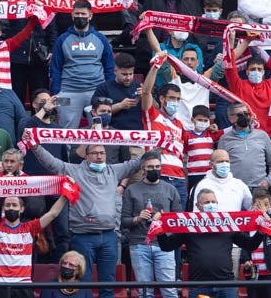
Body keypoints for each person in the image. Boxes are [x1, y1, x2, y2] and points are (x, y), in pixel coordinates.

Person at [30, 142, 142, 298]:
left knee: (108, 283)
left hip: (109, 235)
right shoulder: (75, 170)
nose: (99, 156)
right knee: (83, 283)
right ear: (86, 156)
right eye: (95, 153)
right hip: (83, 236)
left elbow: (137, 163)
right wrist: (35, 147)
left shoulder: (113, 170)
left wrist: (160, 146)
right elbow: (51, 163)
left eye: (102, 153)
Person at [0, 193, 66, 298]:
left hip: (23, 285)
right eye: (7, 205)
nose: (11, 208)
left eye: (14, 205)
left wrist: (65, 194)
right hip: (0, 285)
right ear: (3, 208)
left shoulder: (30, 228)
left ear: (22, 209)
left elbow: (53, 213)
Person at [158, 189, 254, 298]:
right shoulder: (189, 225)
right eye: (207, 202)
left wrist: (261, 232)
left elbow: (250, 245)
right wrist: (160, 233)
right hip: (199, 286)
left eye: (213, 202)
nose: (211, 205)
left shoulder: (227, 224)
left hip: (226, 285)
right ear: (198, 205)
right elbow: (166, 246)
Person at [122, 152, 184, 298]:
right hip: (139, 244)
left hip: (164, 245)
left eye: (157, 166)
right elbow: (123, 221)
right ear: (143, 170)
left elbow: (179, 220)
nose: (154, 169)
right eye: (150, 167)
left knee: (169, 290)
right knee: (144, 292)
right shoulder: (132, 190)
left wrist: (164, 219)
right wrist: (137, 218)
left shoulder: (170, 189)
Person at [49, 0, 116, 128]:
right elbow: (55, 68)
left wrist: (108, 90)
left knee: (99, 128)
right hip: (67, 92)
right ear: (72, 15)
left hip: (96, 91)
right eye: (77, 13)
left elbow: (109, 67)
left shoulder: (101, 38)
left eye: (83, 14)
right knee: (65, 130)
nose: (80, 17)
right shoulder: (62, 39)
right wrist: (56, 93)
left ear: (90, 16)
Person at [140, 61, 190, 202]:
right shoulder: (153, 116)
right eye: (172, 98)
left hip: (179, 178)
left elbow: (183, 153)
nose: (175, 102)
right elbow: (145, 92)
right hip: (158, 176)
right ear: (162, 99)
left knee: (178, 219)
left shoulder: (180, 124)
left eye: (178, 99)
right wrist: (155, 66)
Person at [216, 100, 271, 190]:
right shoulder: (224, 139)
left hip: (260, 189)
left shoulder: (262, 135)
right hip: (235, 189)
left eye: (246, 113)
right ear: (231, 118)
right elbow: (220, 163)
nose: (244, 117)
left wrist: (268, 181)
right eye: (240, 115)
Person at [240, 189, 271, 298]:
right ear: (253, 204)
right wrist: (245, 260)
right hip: (253, 272)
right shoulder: (247, 221)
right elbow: (244, 243)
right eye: (259, 204)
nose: (263, 207)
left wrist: (266, 215)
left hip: (270, 271)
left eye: (266, 204)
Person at [190, 147, 254, 212]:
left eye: (227, 161)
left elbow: (252, 209)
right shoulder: (201, 185)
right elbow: (195, 214)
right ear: (211, 165)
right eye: (220, 162)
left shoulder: (239, 184)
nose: (224, 164)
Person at [93, 53, 144, 131]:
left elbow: (156, 108)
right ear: (115, 71)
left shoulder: (139, 87)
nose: (128, 77)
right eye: (124, 74)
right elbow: (95, 114)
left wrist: (147, 95)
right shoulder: (104, 88)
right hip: (112, 134)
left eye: (131, 74)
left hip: (137, 134)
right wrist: (120, 106)